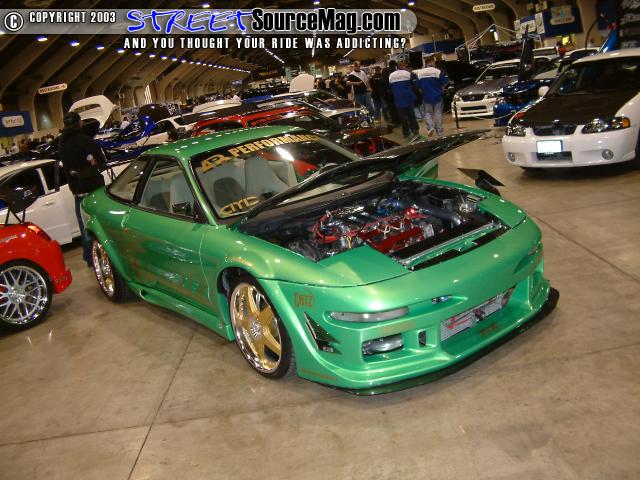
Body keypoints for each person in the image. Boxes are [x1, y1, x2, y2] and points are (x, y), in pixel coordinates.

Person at [58, 111, 107, 267]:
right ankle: (104, 254)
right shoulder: (85, 141)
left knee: (84, 227)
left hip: (78, 191)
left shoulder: (61, 144)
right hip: (94, 189)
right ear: (79, 123)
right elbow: (102, 163)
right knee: (101, 223)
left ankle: (89, 257)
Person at [416, 56, 449, 136]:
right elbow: (445, 82)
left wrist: (423, 92)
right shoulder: (437, 71)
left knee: (427, 113)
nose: (434, 63)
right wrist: (441, 88)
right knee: (438, 113)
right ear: (431, 62)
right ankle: (440, 132)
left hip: (426, 96)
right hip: (438, 96)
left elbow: (418, 86)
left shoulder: (420, 73)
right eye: (434, 62)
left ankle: (430, 127)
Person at [388, 61, 419, 139]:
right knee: (411, 115)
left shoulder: (391, 75)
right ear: (403, 66)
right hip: (408, 98)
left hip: (398, 99)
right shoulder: (407, 74)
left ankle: (406, 133)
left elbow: (391, 89)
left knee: (402, 118)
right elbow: (413, 85)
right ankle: (415, 130)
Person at [381, 60, 400, 127]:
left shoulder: (385, 70)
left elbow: (383, 81)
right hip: (395, 92)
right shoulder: (396, 71)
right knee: (397, 107)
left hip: (388, 93)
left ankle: (395, 121)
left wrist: (385, 92)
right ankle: (399, 120)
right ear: (394, 65)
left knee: (391, 108)